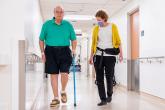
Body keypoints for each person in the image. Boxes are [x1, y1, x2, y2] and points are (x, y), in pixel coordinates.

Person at [39, 5, 77, 107]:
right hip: (50, 51)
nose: (59, 14)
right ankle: (56, 98)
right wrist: (42, 52)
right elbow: (41, 39)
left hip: (65, 50)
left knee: (65, 73)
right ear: (54, 13)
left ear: (63, 13)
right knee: (53, 74)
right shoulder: (46, 25)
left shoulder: (68, 25)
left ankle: (63, 91)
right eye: (57, 12)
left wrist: (73, 49)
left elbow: (74, 39)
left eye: (61, 12)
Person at [89, 10, 123, 106]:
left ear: (104, 18)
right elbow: (93, 44)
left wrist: (121, 54)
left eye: (99, 20)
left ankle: (109, 94)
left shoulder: (113, 27)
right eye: (97, 20)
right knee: (99, 78)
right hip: (98, 55)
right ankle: (103, 99)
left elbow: (119, 41)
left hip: (110, 56)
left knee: (109, 76)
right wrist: (91, 56)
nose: (98, 22)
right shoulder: (96, 29)